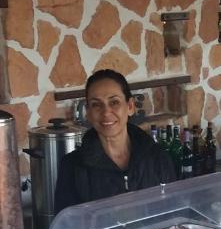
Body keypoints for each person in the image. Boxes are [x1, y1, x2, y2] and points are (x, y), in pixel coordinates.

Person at [54, 69, 177, 211]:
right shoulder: (72, 167)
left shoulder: (157, 157)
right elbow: (67, 222)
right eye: (96, 104)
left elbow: (173, 211)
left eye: (114, 102)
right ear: (88, 112)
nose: (106, 112)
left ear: (130, 107)